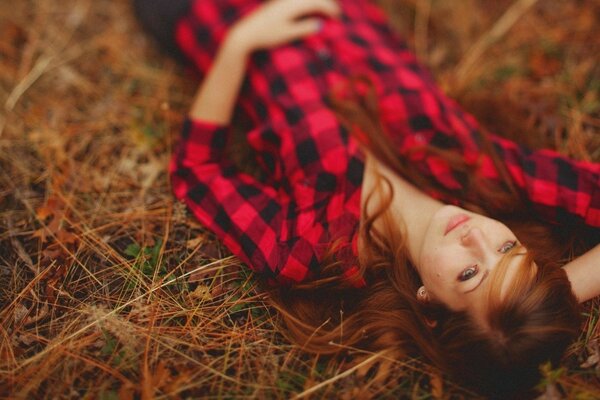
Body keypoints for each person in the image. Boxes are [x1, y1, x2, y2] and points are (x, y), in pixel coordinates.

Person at [134, 0, 600, 395]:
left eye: (469, 274)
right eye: (507, 249)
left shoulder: (313, 248)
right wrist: (555, 294)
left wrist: (241, 44)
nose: (477, 237)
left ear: (429, 305)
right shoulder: (486, 174)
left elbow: (198, 172)